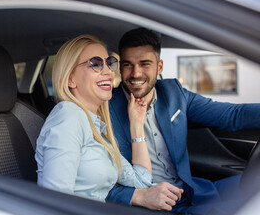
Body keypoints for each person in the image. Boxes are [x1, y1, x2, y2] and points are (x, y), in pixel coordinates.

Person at [106, 27, 260, 213]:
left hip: (192, 192)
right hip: (151, 206)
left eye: (145, 64)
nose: (136, 73)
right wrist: (137, 197)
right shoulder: (105, 107)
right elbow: (91, 182)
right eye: (128, 65)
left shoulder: (174, 93)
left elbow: (233, 115)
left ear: (159, 67)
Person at [35, 35, 164, 202]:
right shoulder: (68, 117)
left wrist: (137, 124)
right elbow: (55, 203)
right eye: (95, 64)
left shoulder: (96, 126)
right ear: (70, 79)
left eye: (109, 62)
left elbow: (141, 180)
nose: (109, 71)